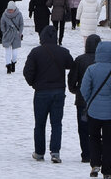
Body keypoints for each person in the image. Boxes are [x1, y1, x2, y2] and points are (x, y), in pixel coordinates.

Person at [22, 24, 74, 162]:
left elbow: (27, 72)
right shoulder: (63, 52)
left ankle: (39, 152)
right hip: (58, 92)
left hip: (41, 92)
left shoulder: (35, 52)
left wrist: (33, 84)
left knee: (40, 123)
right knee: (56, 123)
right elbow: (71, 65)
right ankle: (55, 152)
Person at [80, 40, 111, 179]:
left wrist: (89, 101)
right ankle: (107, 170)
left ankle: (95, 164)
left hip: (94, 110)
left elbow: (84, 89)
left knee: (93, 137)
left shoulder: (91, 69)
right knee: (108, 140)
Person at [68, 33, 102, 164]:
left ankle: (86, 154)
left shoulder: (80, 60)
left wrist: (75, 90)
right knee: (98, 128)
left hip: (82, 100)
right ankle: (98, 152)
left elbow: (72, 79)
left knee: (83, 128)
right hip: (99, 100)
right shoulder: (103, 61)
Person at [0, 1, 24, 73]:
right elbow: (2, 24)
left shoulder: (19, 14)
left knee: (15, 53)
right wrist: (4, 32)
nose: (10, 11)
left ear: (14, 9)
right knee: (7, 51)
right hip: (7, 34)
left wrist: (20, 32)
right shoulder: (4, 15)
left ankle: (13, 62)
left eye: (11, 9)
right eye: (9, 9)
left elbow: (21, 24)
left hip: (16, 35)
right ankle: (8, 66)